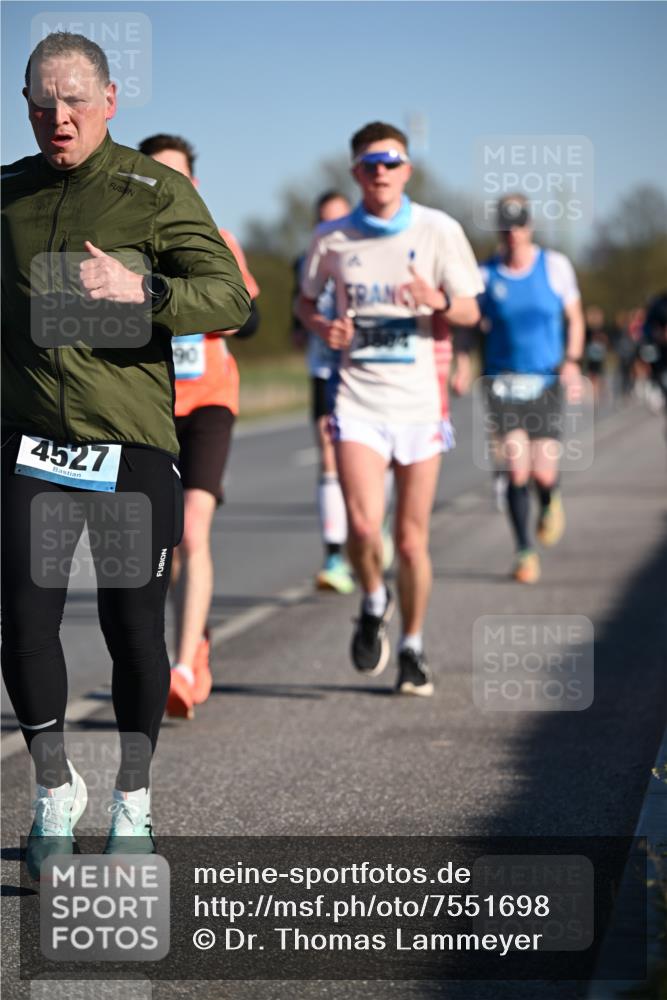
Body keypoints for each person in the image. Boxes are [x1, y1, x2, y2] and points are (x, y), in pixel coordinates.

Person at [1, 33, 250, 874]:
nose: (59, 118)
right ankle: (52, 791)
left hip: (131, 445)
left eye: (75, 100)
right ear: (25, 103)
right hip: (30, 443)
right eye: (43, 103)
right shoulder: (7, 195)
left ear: (110, 100)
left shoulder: (153, 191)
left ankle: (133, 803)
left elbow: (230, 299)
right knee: (24, 621)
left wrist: (143, 291)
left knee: (133, 631)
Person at [296, 121, 481, 696]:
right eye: (370, 164)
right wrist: (323, 326)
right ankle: (374, 600)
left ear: (407, 170)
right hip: (358, 400)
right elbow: (305, 302)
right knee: (361, 526)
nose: (381, 172)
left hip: (421, 406)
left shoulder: (439, 229)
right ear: (355, 172)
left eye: (391, 162)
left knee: (411, 541)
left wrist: (438, 300)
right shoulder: (332, 238)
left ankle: (413, 647)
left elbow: (472, 311)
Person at [138, 134, 260, 720]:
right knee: (161, 544)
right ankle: (193, 637)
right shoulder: (122, 245)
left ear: (194, 184)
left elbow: (248, 318)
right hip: (147, 406)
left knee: (193, 532)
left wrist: (184, 302)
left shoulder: (217, 240)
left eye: (178, 176)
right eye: (156, 175)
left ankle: (184, 667)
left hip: (209, 401)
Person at [477, 195, 585, 584]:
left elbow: (575, 318)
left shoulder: (554, 266)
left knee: (542, 471)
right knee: (516, 466)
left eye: (519, 224)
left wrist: (572, 361)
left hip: (546, 381)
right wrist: (460, 362)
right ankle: (524, 551)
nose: (513, 233)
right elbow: (470, 325)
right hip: (502, 381)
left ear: (530, 226)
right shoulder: (486, 274)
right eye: (506, 226)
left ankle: (550, 499)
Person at [292, 191, 356, 594]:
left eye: (338, 221)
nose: (330, 230)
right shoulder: (307, 262)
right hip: (323, 371)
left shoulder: (371, 255)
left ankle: (375, 522)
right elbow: (298, 310)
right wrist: (308, 330)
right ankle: (334, 557)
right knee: (329, 456)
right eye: (323, 222)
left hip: (365, 374)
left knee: (371, 463)